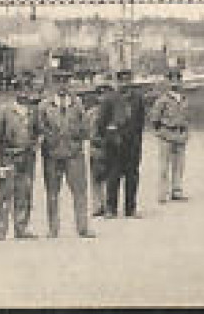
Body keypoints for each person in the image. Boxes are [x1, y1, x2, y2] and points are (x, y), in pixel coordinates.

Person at [36, 71, 96, 237]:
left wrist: (76, 137)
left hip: (74, 154)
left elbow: (85, 128)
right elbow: (40, 127)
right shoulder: (44, 105)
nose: (62, 85)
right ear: (52, 83)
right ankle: (53, 228)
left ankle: (82, 227)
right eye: (58, 81)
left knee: (80, 191)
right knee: (52, 193)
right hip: (52, 154)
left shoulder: (77, 104)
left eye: (65, 81)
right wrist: (50, 139)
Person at [0, 78, 39, 240]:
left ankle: (21, 227)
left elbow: (37, 131)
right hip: (8, 157)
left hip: (27, 157)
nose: (24, 92)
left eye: (27, 89)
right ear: (14, 91)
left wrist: (35, 144)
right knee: (5, 193)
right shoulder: (4, 110)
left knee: (25, 192)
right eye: (20, 89)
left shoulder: (32, 110)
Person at [97, 69, 144, 217]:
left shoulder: (138, 99)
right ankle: (111, 208)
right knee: (113, 176)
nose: (125, 83)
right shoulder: (109, 99)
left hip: (132, 145)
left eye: (128, 80)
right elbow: (101, 123)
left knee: (132, 177)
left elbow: (140, 121)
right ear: (117, 82)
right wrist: (110, 137)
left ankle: (130, 208)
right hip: (114, 145)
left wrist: (137, 139)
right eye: (122, 80)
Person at [150, 69, 190, 202]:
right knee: (164, 166)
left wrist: (185, 132)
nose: (175, 82)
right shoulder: (162, 100)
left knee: (179, 165)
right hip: (167, 133)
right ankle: (162, 193)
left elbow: (186, 117)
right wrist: (161, 132)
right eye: (172, 79)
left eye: (178, 79)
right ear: (167, 81)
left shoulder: (184, 98)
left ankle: (176, 190)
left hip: (180, 133)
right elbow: (155, 119)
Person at [89, 80, 114, 217]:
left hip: (111, 148)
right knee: (96, 177)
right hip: (96, 148)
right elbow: (87, 130)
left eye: (106, 94)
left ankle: (109, 205)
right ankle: (98, 205)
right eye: (100, 94)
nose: (103, 97)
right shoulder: (91, 113)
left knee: (111, 177)